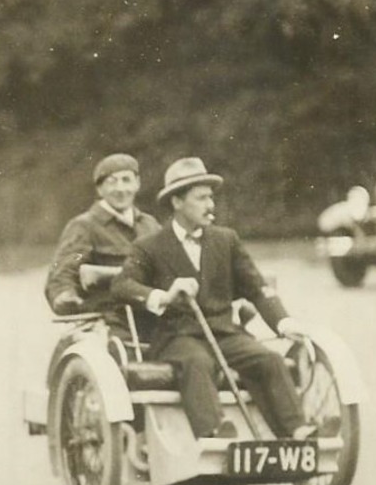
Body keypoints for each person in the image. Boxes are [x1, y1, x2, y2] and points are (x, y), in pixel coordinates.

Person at [110, 157, 319, 442]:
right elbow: (121, 285)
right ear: (177, 202)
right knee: (197, 362)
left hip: (225, 334)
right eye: (202, 198)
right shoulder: (149, 246)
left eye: (211, 197)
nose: (211, 206)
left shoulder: (226, 240)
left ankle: (297, 431)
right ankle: (215, 434)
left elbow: (257, 288)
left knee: (268, 359)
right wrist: (164, 296)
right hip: (177, 338)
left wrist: (283, 323)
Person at [45, 153, 160, 318]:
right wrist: (65, 295)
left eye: (126, 180)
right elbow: (65, 270)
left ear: (137, 184)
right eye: (112, 182)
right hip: (107, 316)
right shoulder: (84, 226)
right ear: (100, 189)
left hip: (152, 315)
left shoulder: (150, 225)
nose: (120, 189)